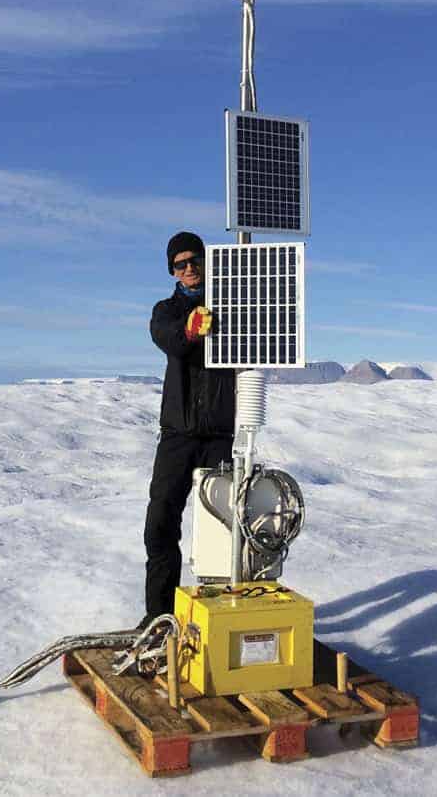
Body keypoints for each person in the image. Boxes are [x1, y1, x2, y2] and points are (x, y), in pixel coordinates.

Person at [139, 232, 235, 628]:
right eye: (180, 263)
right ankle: (159, 618)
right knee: (160, 523)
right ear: (171, 270)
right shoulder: (166, 310)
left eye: (194, 260)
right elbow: (171, 339)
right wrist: (191, 330)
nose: (189, 267)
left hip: (220, 436)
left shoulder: (232, 307)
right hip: (177, 436)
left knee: (223, 531)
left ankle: (217, 617)